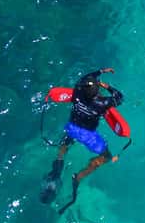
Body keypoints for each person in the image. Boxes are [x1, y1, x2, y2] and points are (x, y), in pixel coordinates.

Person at [41, 68, 124, 207]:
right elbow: (120, 97)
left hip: (72, 127)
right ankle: (78, 177)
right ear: (97, 92)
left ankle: (57, 168)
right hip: (88, 135)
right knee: (107, 157)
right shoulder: (101, 103)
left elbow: (85, 77)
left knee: (66, 142)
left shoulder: (77, 92)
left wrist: (101, 71)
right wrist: (107, 86)